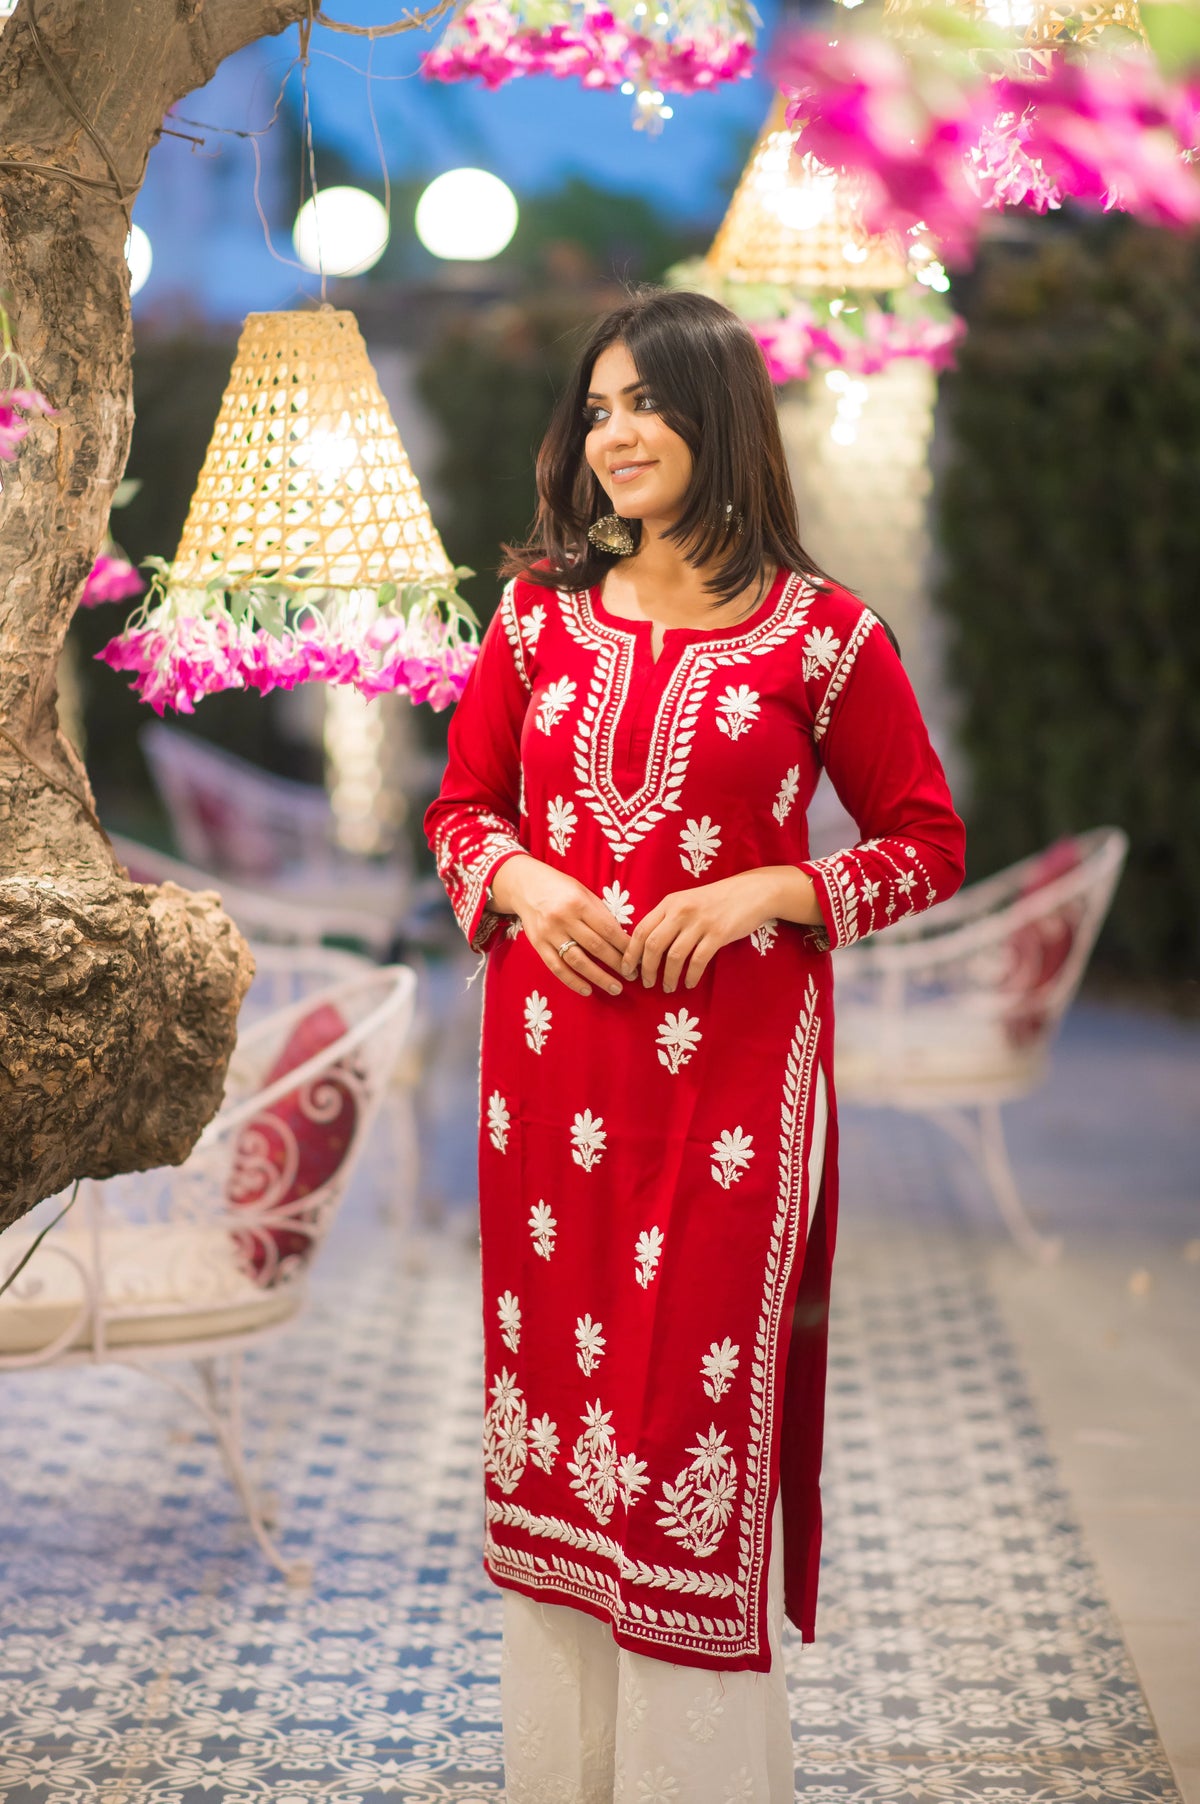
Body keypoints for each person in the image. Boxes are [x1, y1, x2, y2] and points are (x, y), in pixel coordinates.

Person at [424, 287, 965, 1803]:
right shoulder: (538, 616)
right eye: (596, 409)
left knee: (679, 1428)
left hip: (733, 1093)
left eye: (643, 405)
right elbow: (462, 813)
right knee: (562, 1437)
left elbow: (925, 842)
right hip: (549, 1103)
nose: (614, 437)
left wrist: (767, 893)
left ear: (716, 419)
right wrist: (524, 883)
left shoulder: (827, 636)